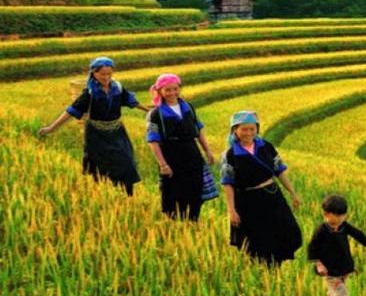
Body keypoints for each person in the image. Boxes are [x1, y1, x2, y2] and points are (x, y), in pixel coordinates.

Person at [39, 57, 149, 196]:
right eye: (102, 74)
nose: (106, 77)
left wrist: (148, 110)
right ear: (94, 73)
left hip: (117, 132)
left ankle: (128, 196)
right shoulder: (90, 93)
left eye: (109, 74)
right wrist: (51, 128)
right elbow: (71, 111)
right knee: (100, 166)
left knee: (125, 161)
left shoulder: (118, 88)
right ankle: (102, 195)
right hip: (96, 134)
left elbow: (131, 102)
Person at [220, 110, 302, 265]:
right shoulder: (230, 155)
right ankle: (266, 273)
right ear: (235, 130)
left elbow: (280, 171)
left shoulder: (266, 146)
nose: (248, 133)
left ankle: (277, 265)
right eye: (244, 129)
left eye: (252, 128)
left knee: (289, 232)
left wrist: (293, 193)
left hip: (272, 196)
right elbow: (227, 183)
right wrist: (231, 210)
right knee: (259, 240)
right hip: (248, 202)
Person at [145, 74, 216, 221]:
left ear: (180, 89)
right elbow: (153, 141)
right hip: (171, 155)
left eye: (175, 89)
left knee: (195, 190)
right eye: (167, 90)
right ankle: (175, 226)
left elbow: (199, 130)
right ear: (160, 91)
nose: (172, 93)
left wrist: (207, 151)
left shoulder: (188, 107)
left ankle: (193, 222)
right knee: (173, 193)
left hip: (192, 153)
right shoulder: (155, 114)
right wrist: (163, 164)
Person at [306, 194, 366, 296]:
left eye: (343, 216)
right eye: (337, 216)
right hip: (330, 269)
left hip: (344, 265)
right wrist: (319, 265)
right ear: (326, 214)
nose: (340, 219)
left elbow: (359, 235)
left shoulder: (344, 226)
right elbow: (312, 247)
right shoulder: (321, 231)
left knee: (338, 289)